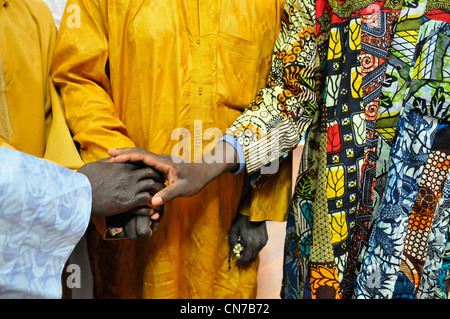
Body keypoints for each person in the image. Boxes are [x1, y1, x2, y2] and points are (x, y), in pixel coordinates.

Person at [110, 0, 450, 299]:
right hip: (335, 212)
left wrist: (255, 205)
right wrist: (205, 165)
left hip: (435, 208)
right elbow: (291, 93)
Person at [51, 0, 292, 298]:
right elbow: (79, 78)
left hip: (223, 215)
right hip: (137, 212)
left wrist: (259, 207)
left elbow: (285, 95)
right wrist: (123, 177)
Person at [0, 0, 164, 298]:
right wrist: (79, 192)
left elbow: (57, 131)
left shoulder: (30, 14)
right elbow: (81, 78)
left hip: (47, 240)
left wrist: (119, 185)